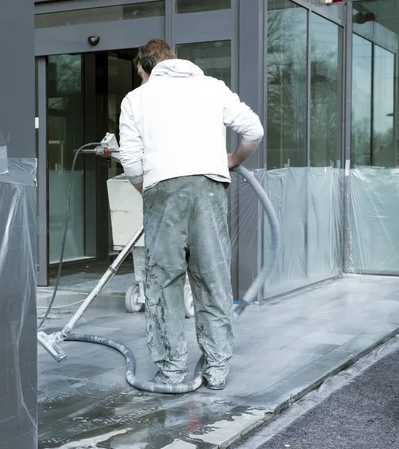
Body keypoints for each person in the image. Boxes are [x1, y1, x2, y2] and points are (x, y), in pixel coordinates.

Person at [117, 39, 264, 390]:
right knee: (212, 278)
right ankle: (216, 370)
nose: (142, 79)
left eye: (141, 73)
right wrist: (232, 160)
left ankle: (171, 370)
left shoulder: (136, 99)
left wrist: (149, 189)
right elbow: (253, 130)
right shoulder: (212, 88)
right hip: (209, 189)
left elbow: (132, 162)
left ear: (147, 65)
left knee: (164, 281)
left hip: (161, 191)